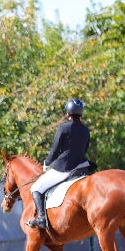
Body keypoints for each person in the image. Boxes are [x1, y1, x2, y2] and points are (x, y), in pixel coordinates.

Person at [27, 98, 92, 229]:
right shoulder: (86, 130)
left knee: (35, 188)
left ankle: (41, 219)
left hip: (65, 168)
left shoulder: (63, 128)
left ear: (68, 113)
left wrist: (47, 162)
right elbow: (84, 150)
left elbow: (55, 150)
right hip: (82, 168)